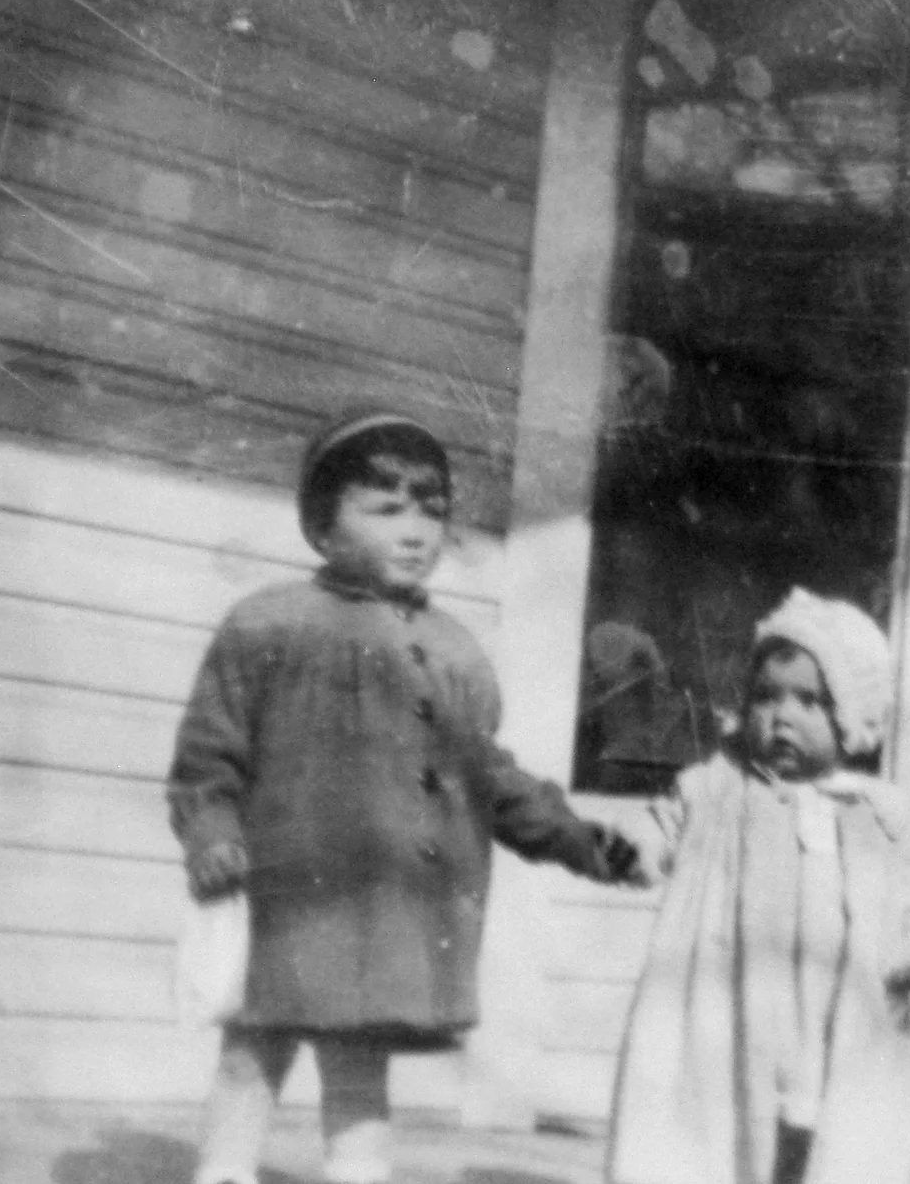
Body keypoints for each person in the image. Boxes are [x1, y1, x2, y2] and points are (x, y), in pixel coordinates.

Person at [168, 401, 646, 1184]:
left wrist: (579, 839)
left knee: (359, 1061)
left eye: (432, 510)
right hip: (284, 894)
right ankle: (224, 1170)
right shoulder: (266, 626)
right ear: (324, 526)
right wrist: (211, 835)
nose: (416, 531)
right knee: (254, 1050)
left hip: (386, 910)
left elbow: (487, 775)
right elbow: (207, 761)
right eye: (385, 509)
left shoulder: (455, 652)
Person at [605, 588, 910, 1184]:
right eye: (765, 697)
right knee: (730, 1127)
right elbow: (664, 823)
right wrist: (633, 848)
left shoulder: (880, 813)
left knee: (818, 1132)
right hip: (734, 1004)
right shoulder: (717, 787)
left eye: (808, 701)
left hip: (835, 1013)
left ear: (849, 716)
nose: (781, 716)